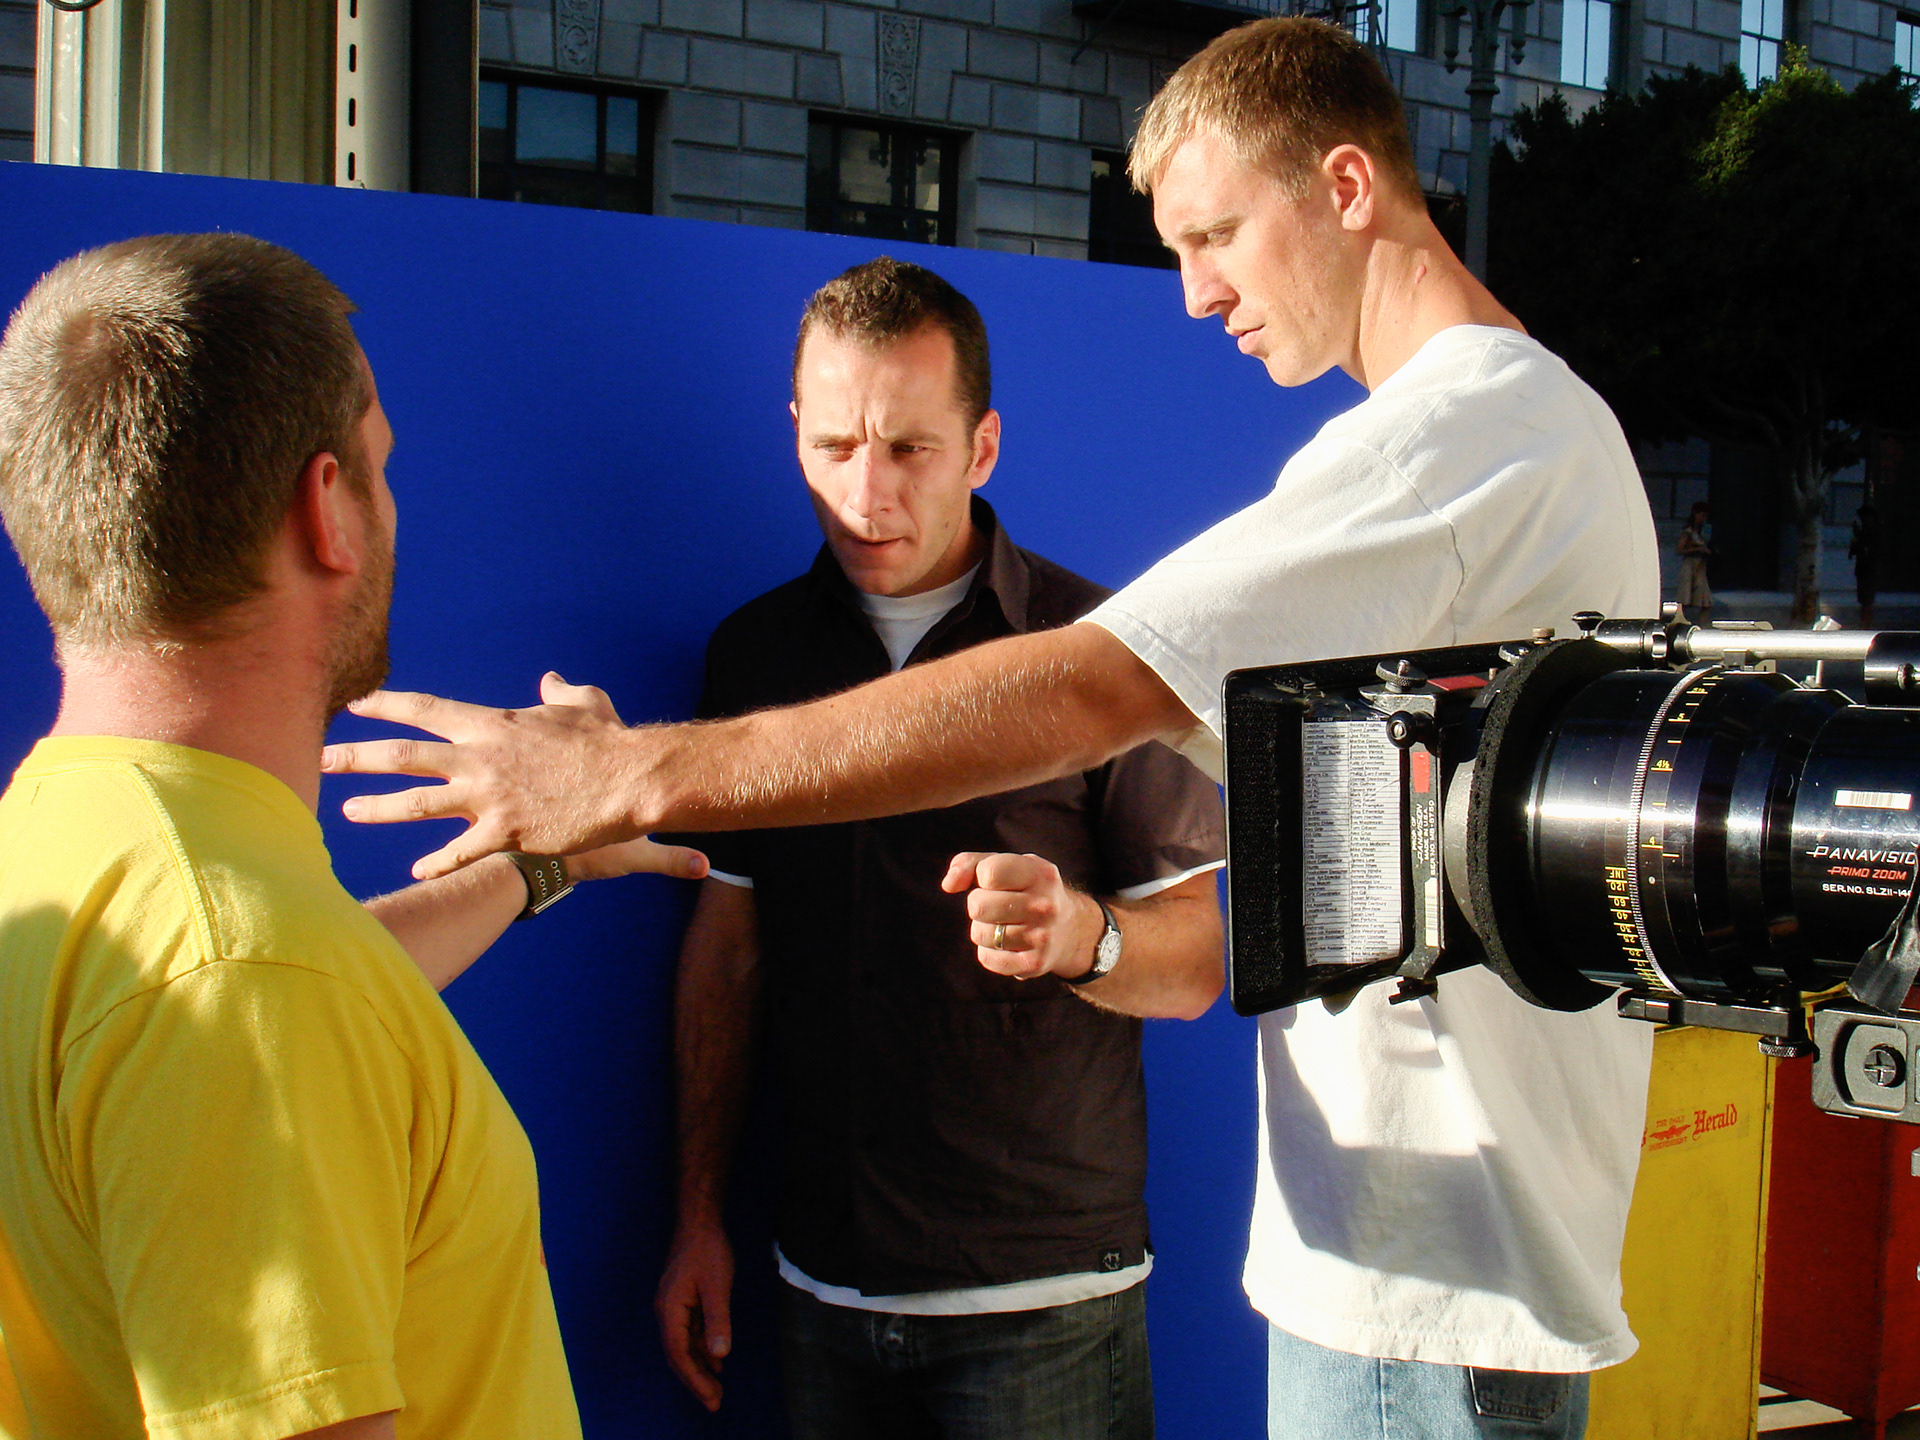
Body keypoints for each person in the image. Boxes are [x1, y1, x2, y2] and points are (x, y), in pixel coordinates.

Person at [324, 18, 1663, 1439]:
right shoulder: (1519, 435)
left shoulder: (1450, 445)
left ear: (1344, 186)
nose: (1197, 295)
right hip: (1413, 1265)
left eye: (1216, 236)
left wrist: (624, 771)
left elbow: (1088, 692)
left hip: (1426, 1286)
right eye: (835, 445)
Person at [0, 234, 704, 1440]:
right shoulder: (245, 978)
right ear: (326, 509)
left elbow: (299, 991)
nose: (389, 504)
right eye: (378, 466)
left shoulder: (68, 834)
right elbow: (262, 998)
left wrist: (545, 862)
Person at [652, 257, 1226, 1439]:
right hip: (817, 1279)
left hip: (1043, 1298)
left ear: (983, 448)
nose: (868, 493)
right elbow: (728, 947)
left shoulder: (1104, 653)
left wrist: (1083, 935)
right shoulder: (754, 655)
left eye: (911, 448)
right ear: (794, 433)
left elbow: (1197, 967)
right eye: (835, 446)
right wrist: (697, 1214)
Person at [1676, 500, 1712, 623]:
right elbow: (1680, 549)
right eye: (1702, 515)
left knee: (1705, 601)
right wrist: (1697, 549)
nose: (1703, 519)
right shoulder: (1688, 532)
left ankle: (1702, 626)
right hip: (1690, 566)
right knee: (1685, 598)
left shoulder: (1702, 532)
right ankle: (1681, 623)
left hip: (1700, 567)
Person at [1851, 502, 1877, 626]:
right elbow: (1855, 549)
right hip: (1863, 569)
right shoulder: (1864, 531)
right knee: (1864, 599)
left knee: (1867, 599)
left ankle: (1866, 623)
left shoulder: (1873, 532)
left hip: (1869, 569)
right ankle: (1865, 622)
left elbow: (1868, 549)